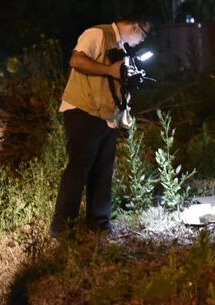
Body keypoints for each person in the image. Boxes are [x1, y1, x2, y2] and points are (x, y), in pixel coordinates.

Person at [50, 17, 151, 237]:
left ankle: (99, 225)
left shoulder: (122, 47)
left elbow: (114, 80)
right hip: (82, 111)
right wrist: (110, 70)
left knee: (103, 171)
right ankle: (63, 229)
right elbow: (76, 60)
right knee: (79, 169)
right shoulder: (97, 34)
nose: (141, 41)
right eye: (143, 36)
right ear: (135, 26)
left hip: (106, 116)